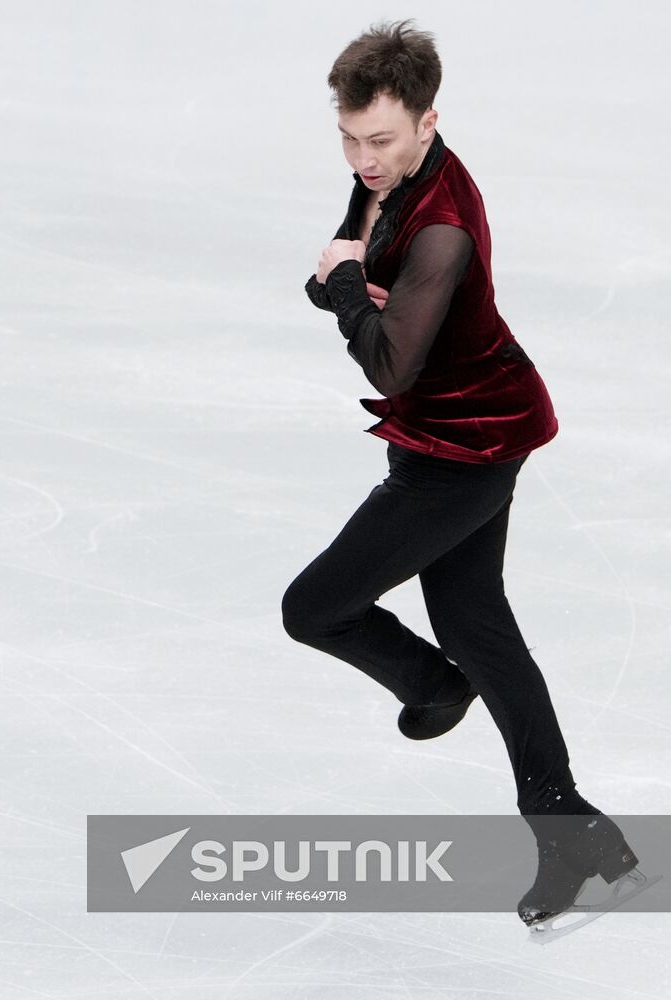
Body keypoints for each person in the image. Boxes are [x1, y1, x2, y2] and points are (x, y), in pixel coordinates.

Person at [280, 18, 641, 930]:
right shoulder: (387, 175)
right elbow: (348, 261)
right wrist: (347, 285)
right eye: (350, 138)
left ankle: (434, 688)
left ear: (429, 120)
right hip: (453, 435)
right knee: (477, 624)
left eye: (382, 140)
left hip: (465, 449)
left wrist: (341, 295)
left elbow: (388, 362)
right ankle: (576, 834)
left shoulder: (441, 226)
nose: (363, 159)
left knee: (316, 607)